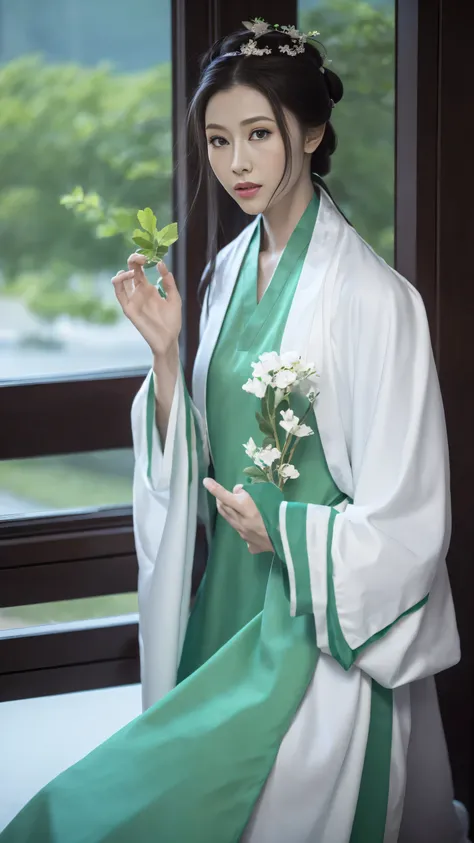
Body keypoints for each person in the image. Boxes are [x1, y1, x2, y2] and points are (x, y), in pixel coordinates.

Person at [1, 19, 469, 843]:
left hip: (309, 625)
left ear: (314, 132)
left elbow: (411, 517)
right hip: (223, 603)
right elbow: (200, 451)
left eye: (259, 134)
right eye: (219, 140)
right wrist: (169, 355)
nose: (236, 164)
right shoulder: (219, 273)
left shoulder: (376, 300)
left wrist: (286, 531)